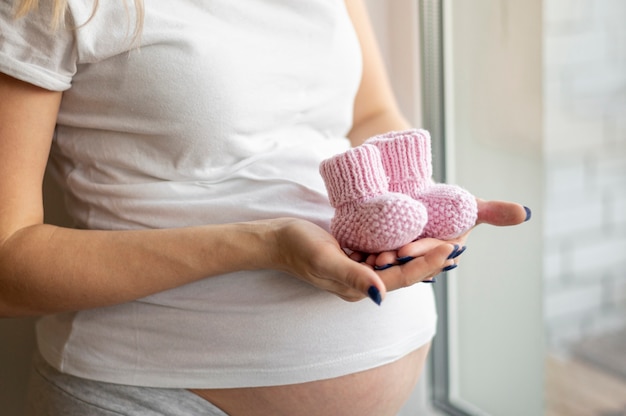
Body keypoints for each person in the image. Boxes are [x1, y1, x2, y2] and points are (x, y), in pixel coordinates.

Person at [0, 1, 530, 415]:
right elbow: (9, 263)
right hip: (154, 391)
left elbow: (369, 115)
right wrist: (267, 243)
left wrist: (413, 205)